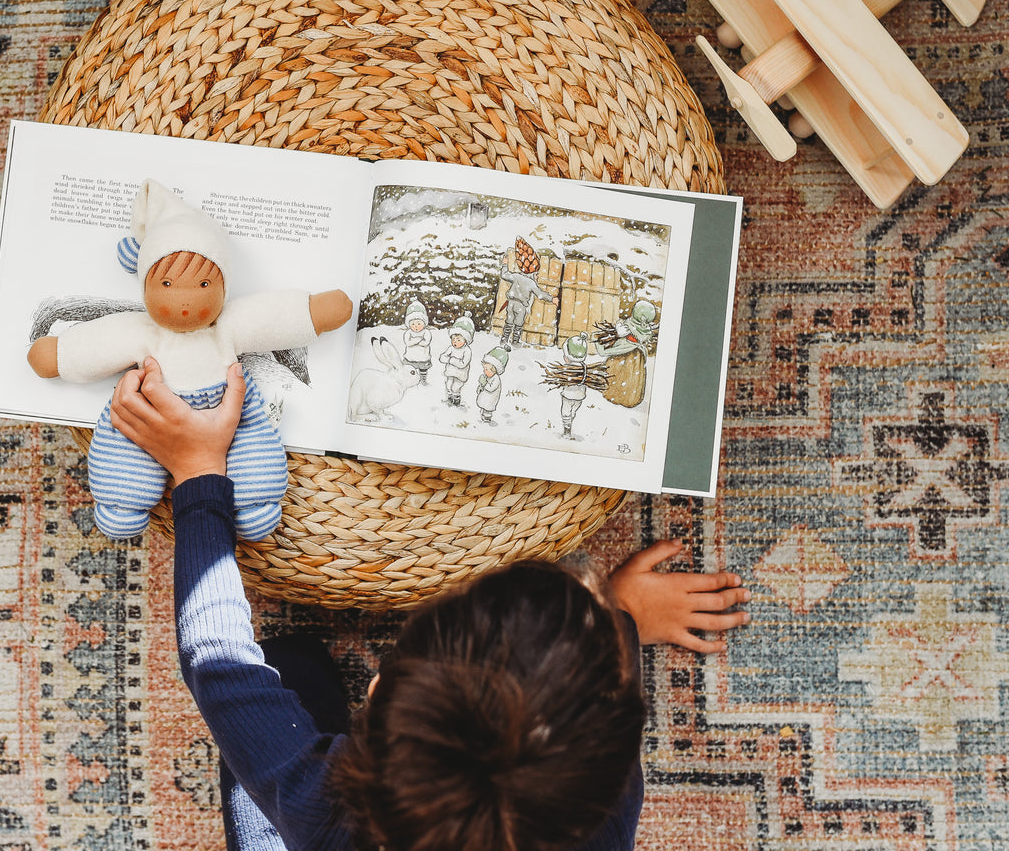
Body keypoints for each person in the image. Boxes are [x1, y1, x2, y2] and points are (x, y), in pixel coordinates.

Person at [109, 357, 751, 851]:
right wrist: (622, 619)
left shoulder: (322, 811)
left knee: (284, 677)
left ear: (380, 688)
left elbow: (218, 662)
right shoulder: (600, 807)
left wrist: (197, 471)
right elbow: (591, 706)